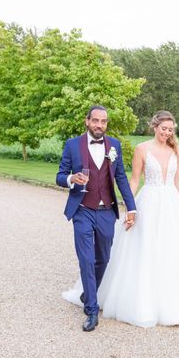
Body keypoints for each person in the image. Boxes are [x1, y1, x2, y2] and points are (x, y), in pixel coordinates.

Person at [63, 110, 179, 328]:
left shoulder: (174, 150)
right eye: (164, 128)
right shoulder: (142, 149)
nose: (167, 133)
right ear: (155, 127)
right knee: (140, 248)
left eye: (171, 130)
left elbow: (177, 178)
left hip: (171, 203)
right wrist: (131, 206)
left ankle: (168, 298)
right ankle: (96, 303)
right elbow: (132, 180)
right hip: (146, 201)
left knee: (170, 249)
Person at [56, 105, 137, 332]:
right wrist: (72, 178)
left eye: (103, 121)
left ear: (106, 124)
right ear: (87, 121)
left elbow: (120, 178)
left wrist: (132, 208)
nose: (99, 125)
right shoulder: (73, 145)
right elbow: (60, 176)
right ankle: (92, 309)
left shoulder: (115, 146)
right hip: (82, 209)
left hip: (106, 211)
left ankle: (87, 293)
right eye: (95, 121)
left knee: (103, 257)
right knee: (87, 259)